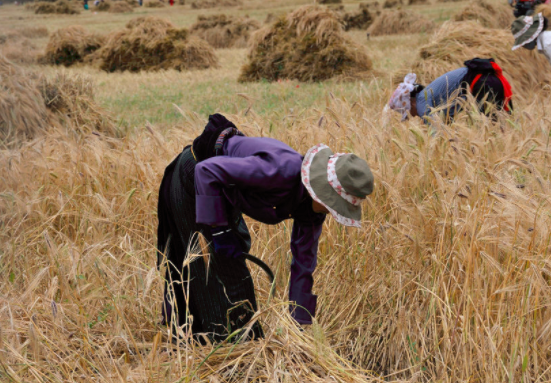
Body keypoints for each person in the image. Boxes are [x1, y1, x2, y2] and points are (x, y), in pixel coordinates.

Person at [157, 114, 374, 342]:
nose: (332, 212)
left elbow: (303, 265)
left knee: (230, 261)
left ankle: (231, 343)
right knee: (214, 271)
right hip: (194, 178)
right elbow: (206, 171)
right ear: (320, 190)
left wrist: (298, 326)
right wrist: (220, 230)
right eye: (334, 205)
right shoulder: (281, 171)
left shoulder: (313, 211)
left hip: (223, 192)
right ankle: (225, 348)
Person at [388, 58, 513, 124]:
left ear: (411, 103)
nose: (413, 116)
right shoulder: (430, 95)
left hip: (483, 84)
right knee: (498, 125)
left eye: (409, 113)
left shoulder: (422, 102)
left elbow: (437, 132)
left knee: (490, 127)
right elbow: (450, 114)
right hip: (489, 81)